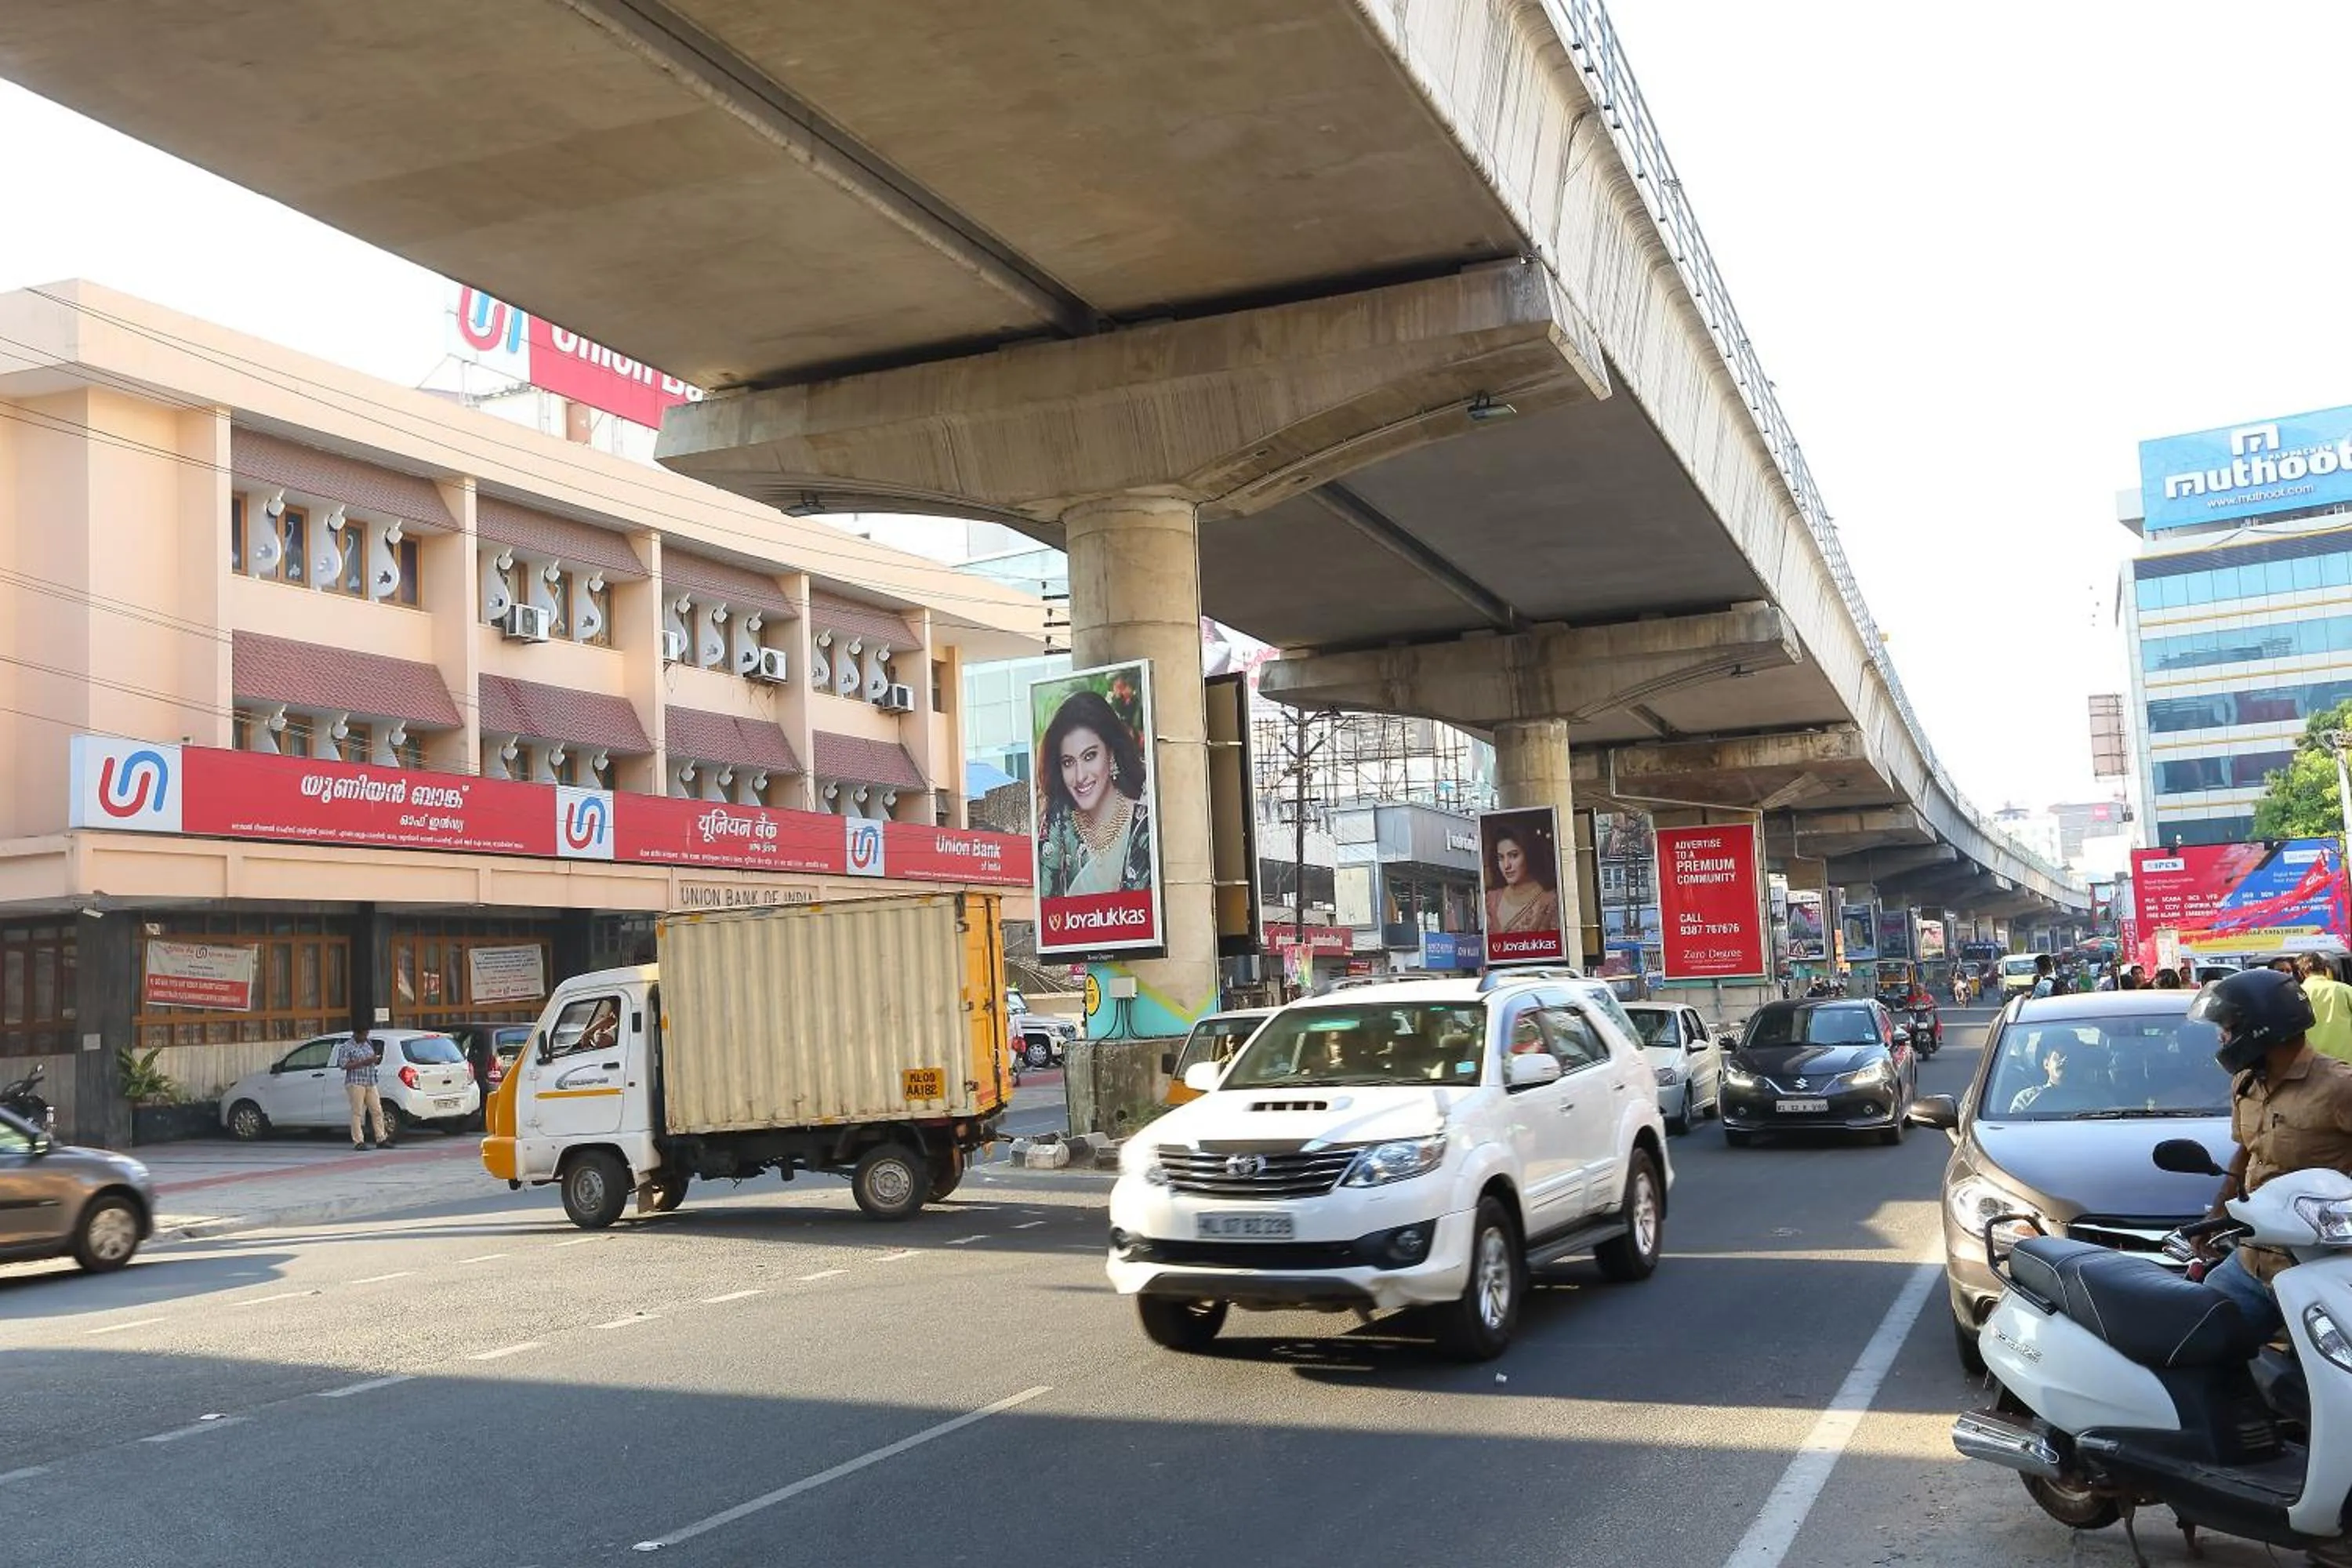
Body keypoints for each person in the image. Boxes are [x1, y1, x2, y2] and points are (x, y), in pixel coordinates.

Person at [2191, 967, 2352, 1343]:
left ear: (2261, 1029)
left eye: (2229, 1027)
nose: (2222, 1037)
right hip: (2252, 1260)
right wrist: (2216, 1217)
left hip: (2321, 1268)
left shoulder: (2339, 1088)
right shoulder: (2247, 1082)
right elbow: (2247, 1152)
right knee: (2198, 1336)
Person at [1036, 688, 1154, 901]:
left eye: (1090, 756)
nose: (1080, 776)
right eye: (1068, 762)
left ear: (1111, 753)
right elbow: (1047, 909)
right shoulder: (1059, 824)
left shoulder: (1145, 819)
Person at [1482, 824, 1561, 939]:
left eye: (1513, 855)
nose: (1506, 865)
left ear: (1529, 854)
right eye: (1501, 858)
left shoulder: (1549, 900)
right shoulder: (1491, 900)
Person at [332, 1028, 391, 1151]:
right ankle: (358, 1141)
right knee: (357, 1112)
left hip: (370, 1081)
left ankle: (381, 1138)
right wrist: (363, 1062)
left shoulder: (368, 1043)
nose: (365, 1037)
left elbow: (371, 1059)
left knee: (377, 1110)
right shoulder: (346, 1047)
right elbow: (343, 1065)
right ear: (356, 1033)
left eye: (367, 1034)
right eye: (363, 1034)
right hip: (356, 1082)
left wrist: (375, 1060)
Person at [2299, 954, 2352, 1064]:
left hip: (2310, 1063)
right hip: (2345, 1062)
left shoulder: (2296, 993)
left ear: (2301, 973)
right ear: (2325, 970)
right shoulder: (2344, 989)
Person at [2006, 1043, 2069, 1114]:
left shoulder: (2083, 1098)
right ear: (2046, 1064)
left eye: (2069, 1059)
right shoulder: (2026, 1099)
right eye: (2059, 1056)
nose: (2064, 1061)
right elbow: (2016, 1124)